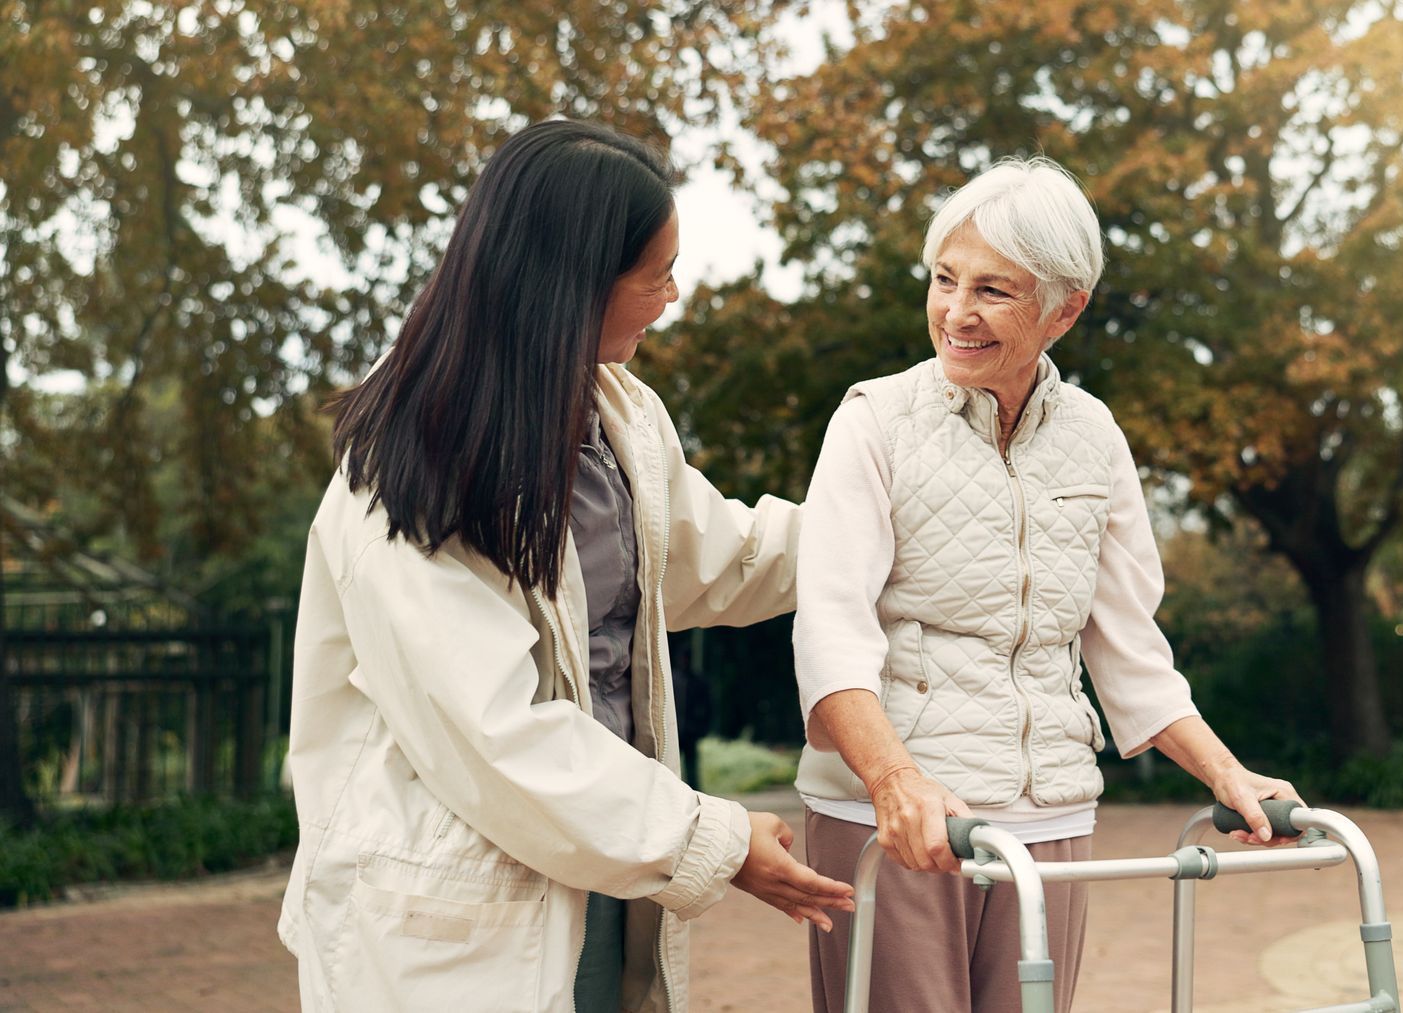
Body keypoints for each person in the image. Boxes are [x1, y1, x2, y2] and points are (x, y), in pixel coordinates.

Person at [276, 119, 853, 1013]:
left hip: (609, 865)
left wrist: (888, 526)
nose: (672, 295)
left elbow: (718, 560)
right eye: (656, 273)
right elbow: (494, 729)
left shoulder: (614, 411)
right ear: (575, 282)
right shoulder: (406, 464)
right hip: (460, 908)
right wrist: (717, 839)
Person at [793, 157, 1307, 1012]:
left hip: (1051, 818)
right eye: (944, 280)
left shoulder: (1094, 437)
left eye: (993, 290)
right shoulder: (872, 421)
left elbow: (1130, 646)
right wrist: (895, 782)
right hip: (905, 824)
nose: (956, 313)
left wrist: (1228, 773)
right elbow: (832, 634)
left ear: (1064, 307)